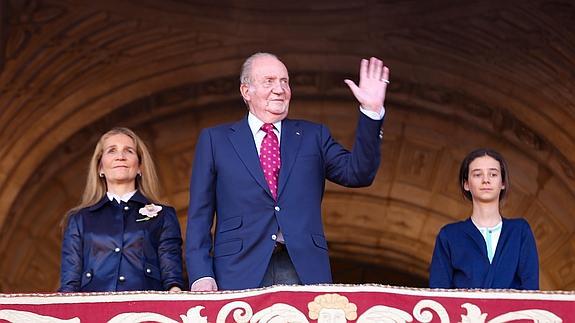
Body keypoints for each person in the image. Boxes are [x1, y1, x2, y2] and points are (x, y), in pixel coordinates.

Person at [186, 52, 390, 291]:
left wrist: (371, 112)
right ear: (246, 91)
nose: (280, 89)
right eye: (269, 81)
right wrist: (200, 273)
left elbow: (358, 174)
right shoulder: (215, 140)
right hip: (238, 268)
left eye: (285, 81)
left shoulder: (313, 136)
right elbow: (200, 214)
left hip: (303, 267)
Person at [59, 127, 184, 292]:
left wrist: (174, 288)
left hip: (146, 308)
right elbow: (70, 283)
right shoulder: (79, 219)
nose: (120, 157)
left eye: (129, 151)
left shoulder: (163, 215)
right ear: (100, 168)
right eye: (111, 151)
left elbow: (171, 270)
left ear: (140, 166)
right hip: (95, 311)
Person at [429, 148, 539, 290]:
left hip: (512, 313)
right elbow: (439, 293)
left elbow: (531, 289)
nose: (486, 180)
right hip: (464, 312)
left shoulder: (520, 231)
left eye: (493, 174)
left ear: (503, 183)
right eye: (477, 174)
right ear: (466, 184)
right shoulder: (449, 235)